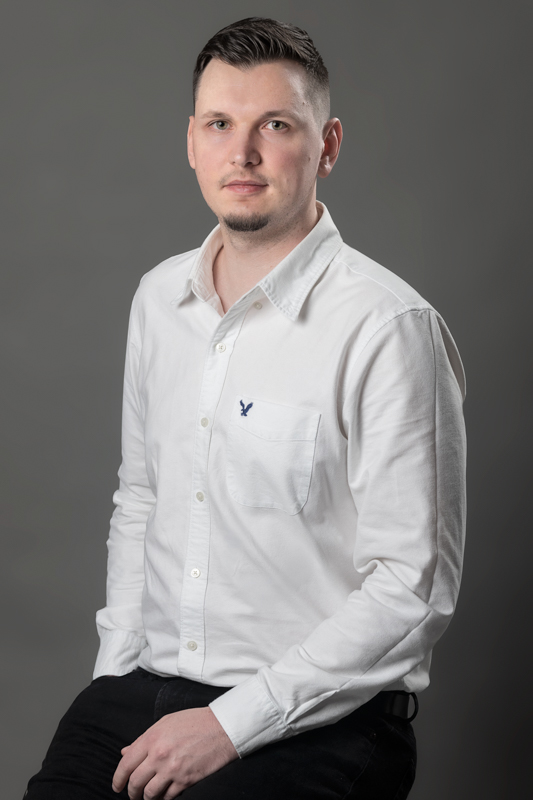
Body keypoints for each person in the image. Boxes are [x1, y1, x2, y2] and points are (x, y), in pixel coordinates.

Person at [25, 16, 466, 800]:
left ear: (327, 146)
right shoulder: (158, 298)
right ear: (191, 142)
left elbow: (411, 588)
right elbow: (142, 497)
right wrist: (114, 673)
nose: (244, 153)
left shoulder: (389, 328)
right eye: (220, 124)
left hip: (321, 719)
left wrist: (231, 724)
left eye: (276, 125)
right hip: (142, 689)